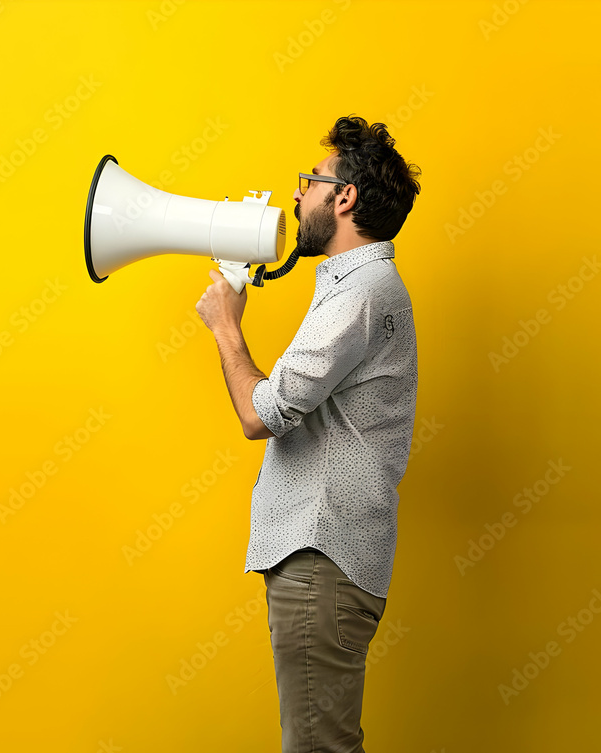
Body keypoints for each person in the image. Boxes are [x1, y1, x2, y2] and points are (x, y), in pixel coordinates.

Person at [195, 114, 422, 752]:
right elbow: (283, 403)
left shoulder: (363, 292)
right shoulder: (356, 289)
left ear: (344, 197)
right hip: (325, 558)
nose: (297, 196)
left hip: (321, 556)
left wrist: (225, 326)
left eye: (312, 181)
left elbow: (259, 415)